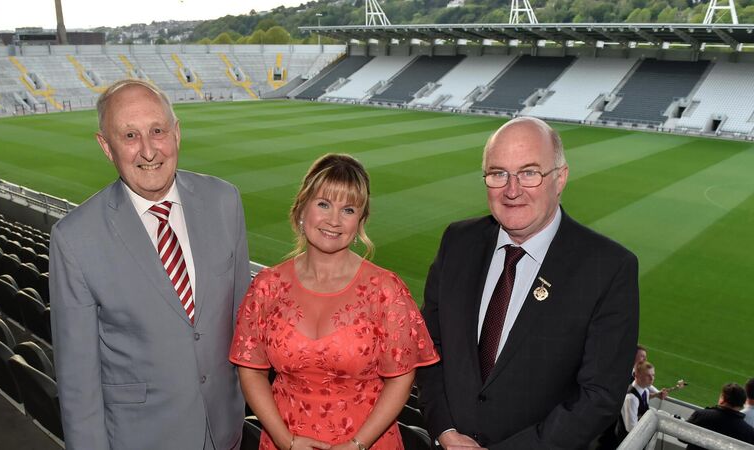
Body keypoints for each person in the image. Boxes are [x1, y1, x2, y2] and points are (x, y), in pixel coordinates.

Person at [416, 116, 639, 449]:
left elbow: (599, 396)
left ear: (560, 178)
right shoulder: (457, 241)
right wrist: (446, 431)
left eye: (529, 172)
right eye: (498, 173)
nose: (511, 189)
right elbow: (427, 348)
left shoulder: (608, 267)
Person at [50, 79, 250, 450]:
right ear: (106, 147)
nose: (148, 150)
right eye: (129, 135)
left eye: (157, 131)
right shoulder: (74, 239)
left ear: (176, 133)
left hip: (226, 431)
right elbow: (78, 384)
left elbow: (245, 326)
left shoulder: (225, 201)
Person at [229, 154, 439, 450]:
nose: (334, 220)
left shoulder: (386, 290)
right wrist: (284, 440)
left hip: (368, 443)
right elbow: (250, 369)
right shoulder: (267, 286)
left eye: (349, 209)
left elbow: (402, 378)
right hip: (284, 439)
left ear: (360, 221)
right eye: (324, 204)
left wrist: (357, 444)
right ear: (303, 207)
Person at [685, 383, 754, 450]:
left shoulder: (701, 415)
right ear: (742, 404)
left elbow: (683, 437)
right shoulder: (749, 432)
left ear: (722, 399)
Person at [618, 361, 669, 440]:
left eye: (653, 375)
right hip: (627, 441)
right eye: (648, 375)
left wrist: (657, 394)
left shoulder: (645, 390)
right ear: (637, 375)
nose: (652, 378)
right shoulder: (631, 398)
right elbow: (631, 429)